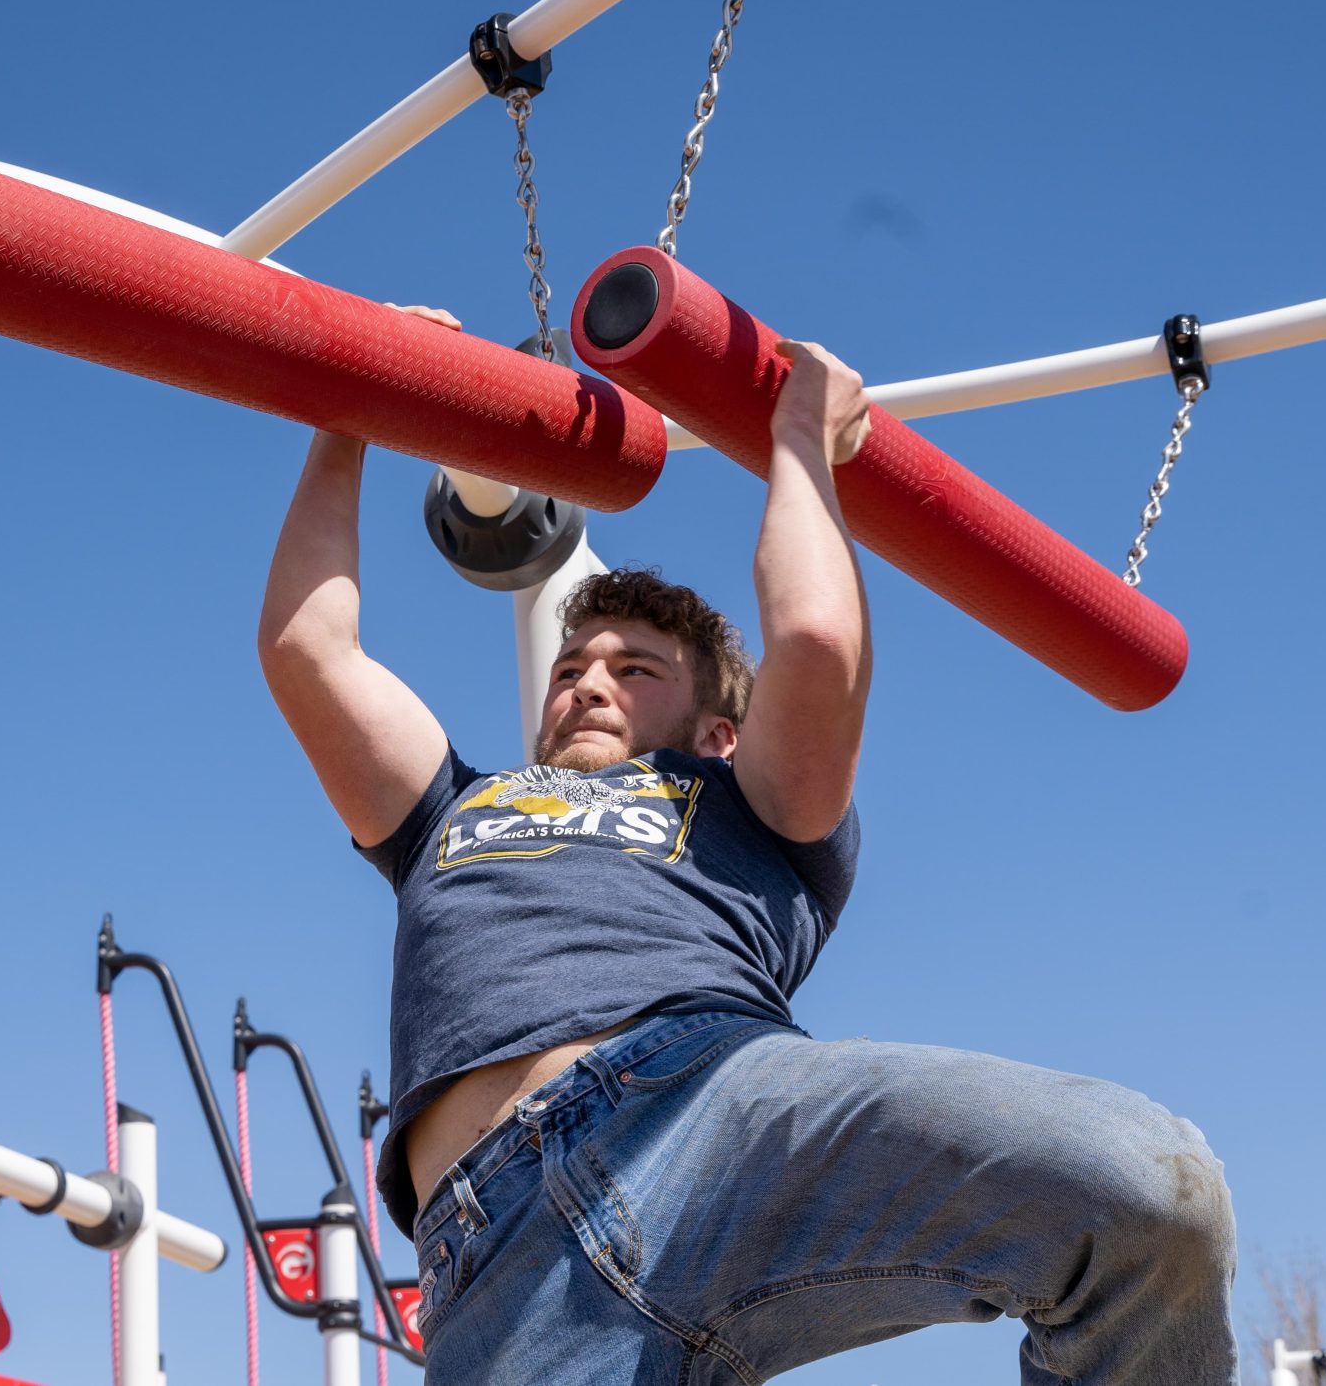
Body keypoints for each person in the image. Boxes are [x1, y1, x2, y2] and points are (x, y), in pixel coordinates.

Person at [258, 308, 1237, 1384]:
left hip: (716, 1116)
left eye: (635, 670)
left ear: (719, 731)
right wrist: (351, 401)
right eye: (572, 664)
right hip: (497, 1253)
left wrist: (800, 441)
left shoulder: (749, 806)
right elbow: (307, 647)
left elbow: (814, 643)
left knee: (1142, 1189)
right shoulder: (449, 810)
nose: (587, 678)